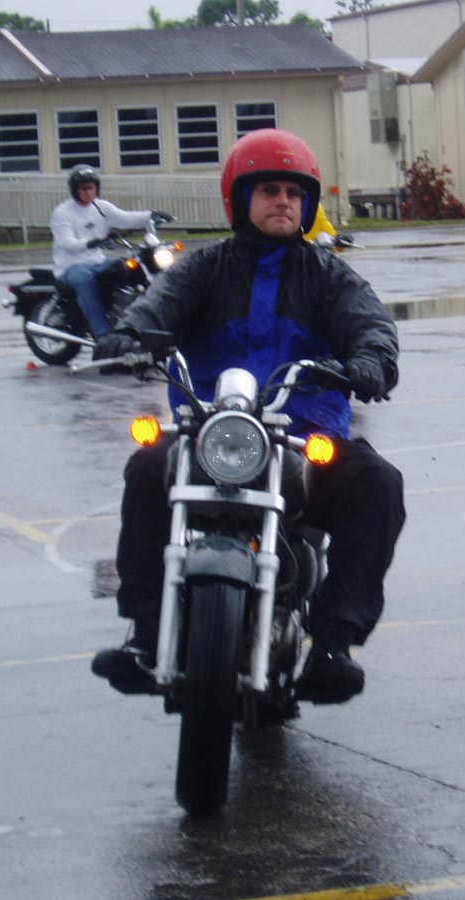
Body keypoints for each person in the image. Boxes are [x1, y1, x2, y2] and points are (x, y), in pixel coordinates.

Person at [90, 128, 406, 704]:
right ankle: (145, 634)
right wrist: (127, 336)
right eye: (268, 191)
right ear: (239, 199)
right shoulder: (202, 269)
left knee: (379, 483)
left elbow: (371, 326)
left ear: (307, 204)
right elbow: (155, 306)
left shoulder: (330, 276)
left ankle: (333, 643)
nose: (282, 201)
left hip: (302, 440)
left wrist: (370, 361)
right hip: (209, 433)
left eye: (293, 193)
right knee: (146, 468)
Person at [50, 164, 157, 338]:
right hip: (70, 266)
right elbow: (67, 243)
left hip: (98, 261)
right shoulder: (62, 212)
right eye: (83, 189)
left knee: (130, 267)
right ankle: (101, 333)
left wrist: (151, 216)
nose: (88, 192)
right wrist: (91, 242)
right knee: (85, 279)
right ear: (75, 190)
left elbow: (125, 218)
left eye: (91, 188)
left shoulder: (102, 207)